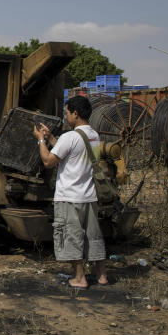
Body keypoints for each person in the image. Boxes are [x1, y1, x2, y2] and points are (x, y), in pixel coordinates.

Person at [32, 95, 108, 288]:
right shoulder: (93, 135)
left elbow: (49, 161)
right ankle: (101, 276)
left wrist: (41, 141)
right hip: (89, 195)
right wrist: (50, 137)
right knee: (93, 236)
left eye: (67, 113)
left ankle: (80, 278)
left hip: (69, 197)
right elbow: (73, 154)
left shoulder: (70, 137)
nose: (65, 117)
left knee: (72, 236)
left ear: (75, 113)